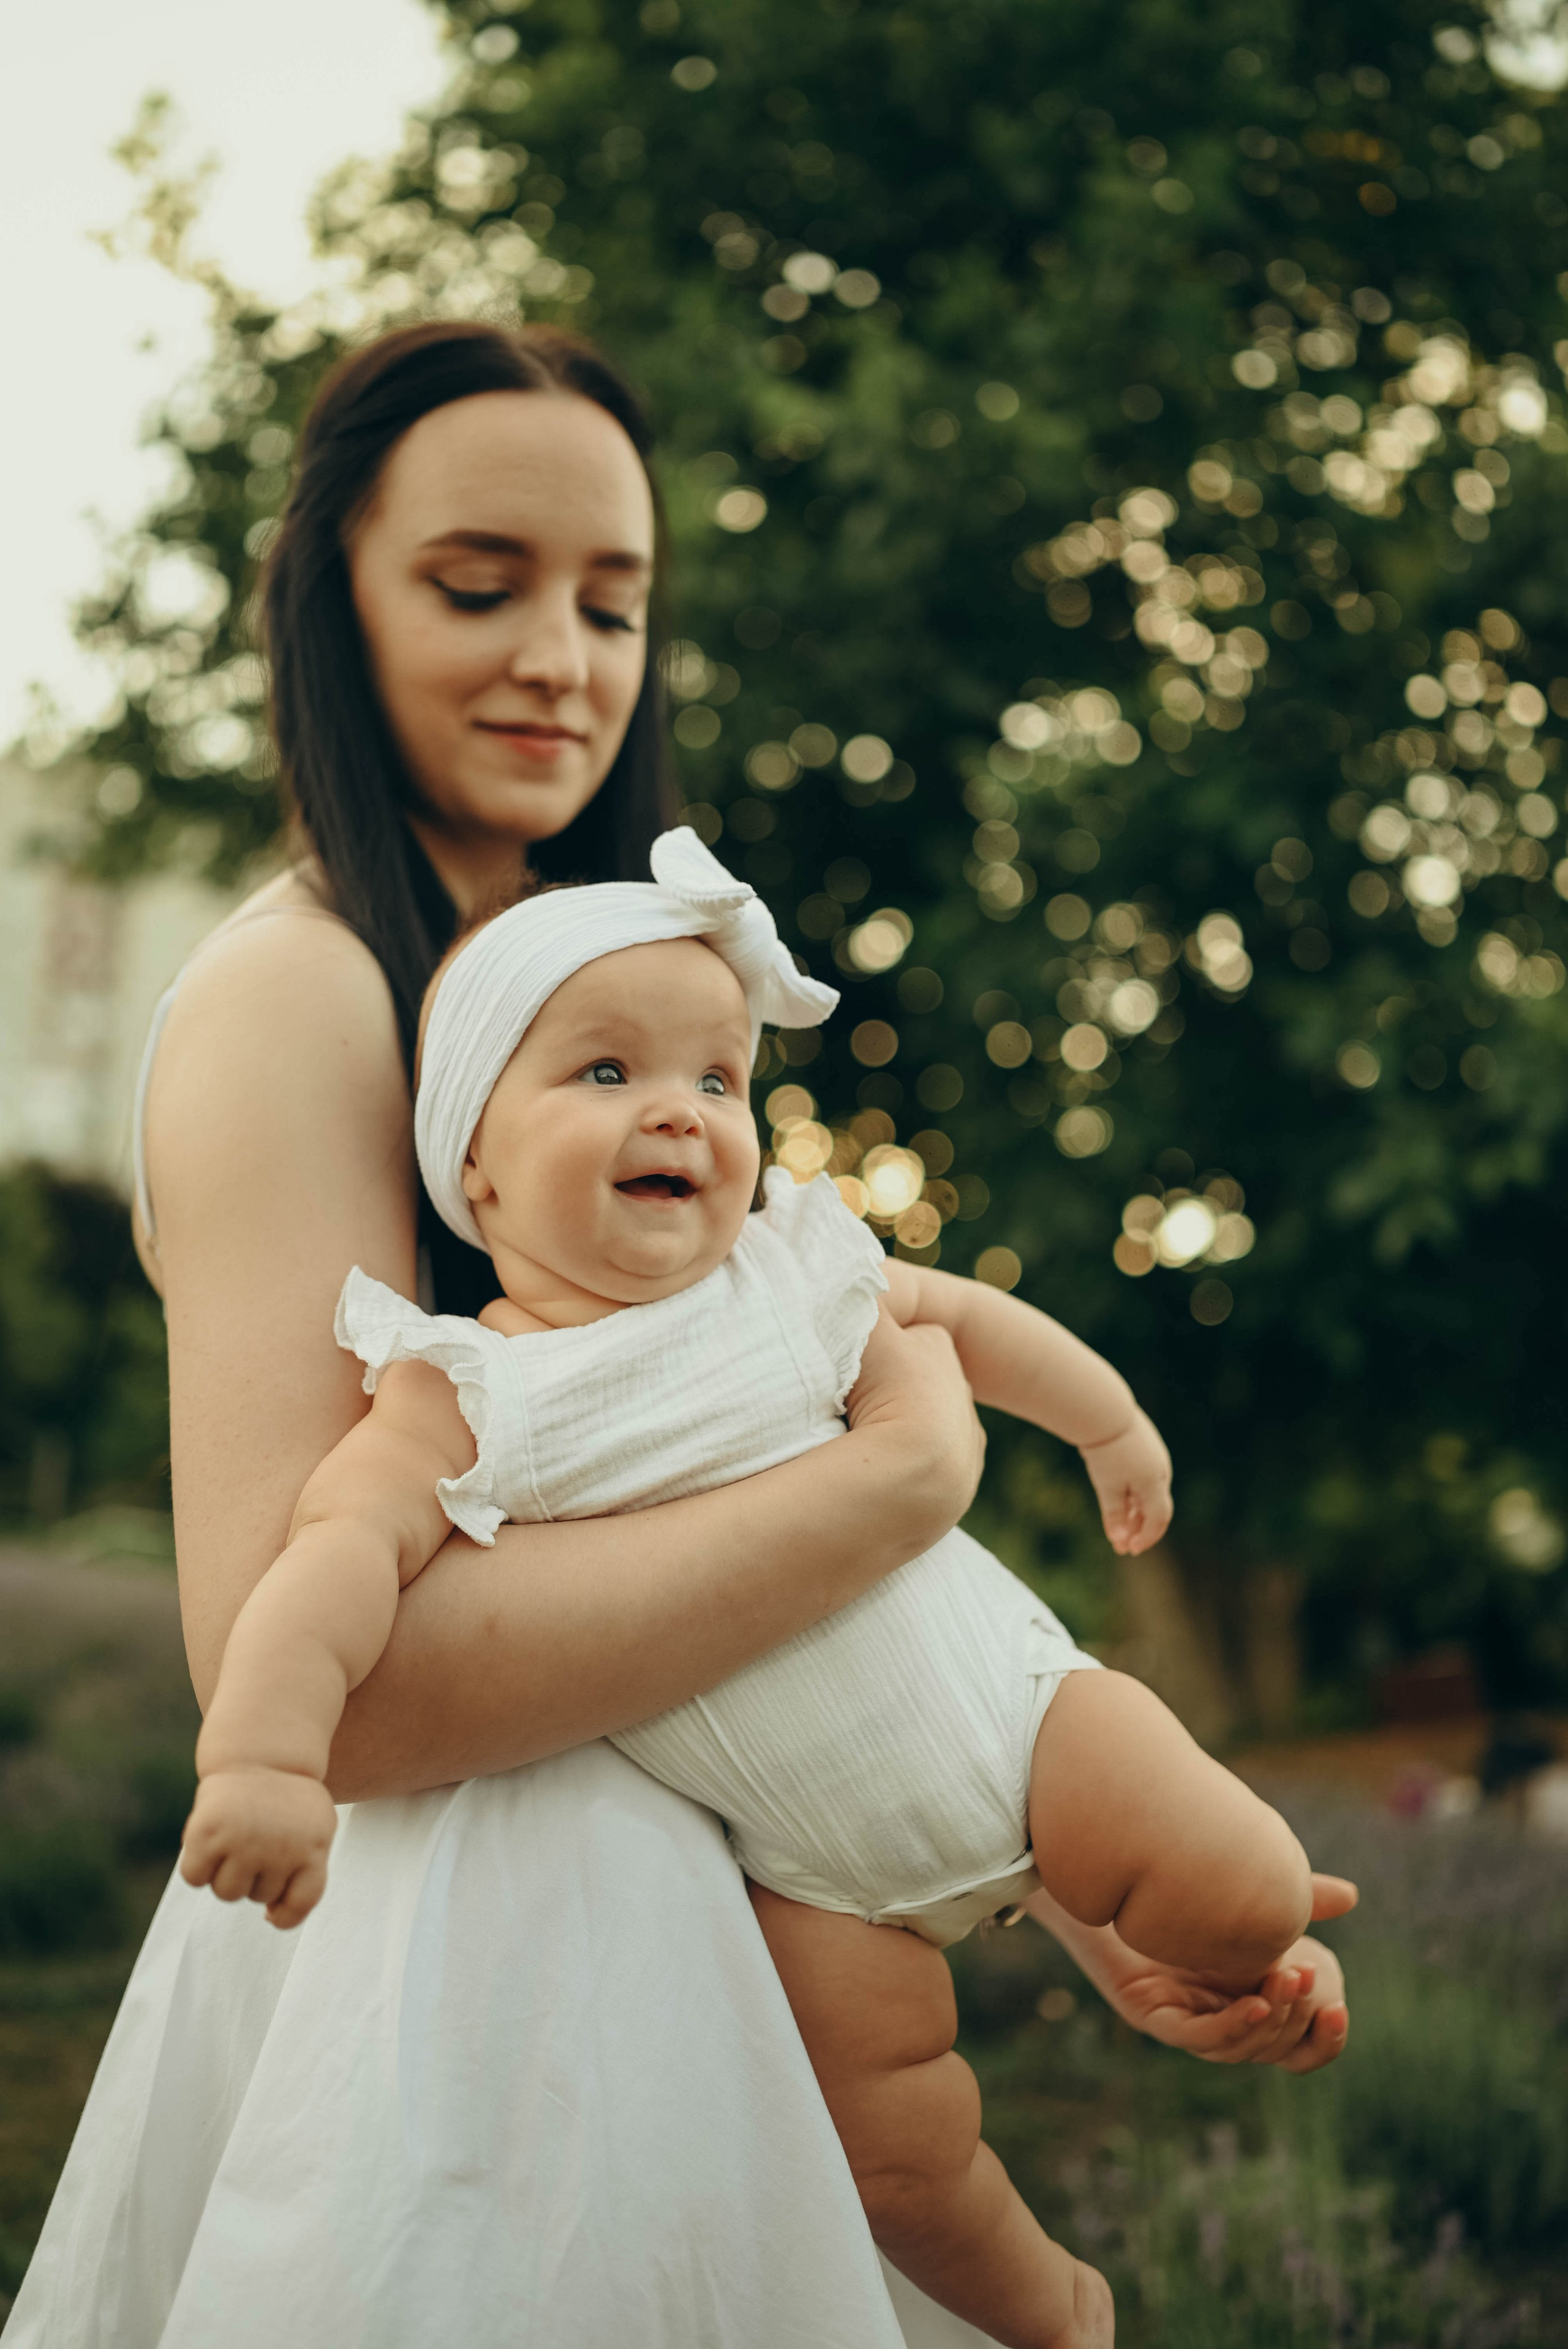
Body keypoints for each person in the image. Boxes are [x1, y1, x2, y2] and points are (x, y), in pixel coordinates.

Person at [4, 323, 1349, 2349]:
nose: (562, 653)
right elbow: (323, 1690)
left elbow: (765, 1567)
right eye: (481, 584)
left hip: (750, 1914)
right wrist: (898, 1481)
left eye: (611, 600)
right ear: (328, 600)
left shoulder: (618, 989)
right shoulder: (310, 994)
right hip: (494, 1990)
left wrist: (1076, 1886)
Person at [179, 831, 1358, 2349]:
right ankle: (1057, 2309)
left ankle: (1255, 1959)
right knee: (894, 2162)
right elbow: (332, 1564)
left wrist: (1105, 1423)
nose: (678, 1106)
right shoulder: (471, 1395)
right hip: (817, 1884)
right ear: (471, 1160)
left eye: (720, 1080)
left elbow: (969, 1321)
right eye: (603, 1073)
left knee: (1229, 1879)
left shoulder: (790, 1277)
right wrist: (266, 1755)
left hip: (1020, 1725)